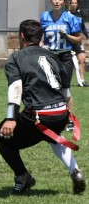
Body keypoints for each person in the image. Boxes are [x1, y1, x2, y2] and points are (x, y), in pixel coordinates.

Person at [0, 19, 85, 195]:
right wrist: (66, 112)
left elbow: (16, 87)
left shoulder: (16, 58)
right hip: (61, 113)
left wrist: (11, 118)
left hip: (38, 117)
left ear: (21, 36)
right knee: (52, 135)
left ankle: (22, 176)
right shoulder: (52, 56)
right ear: (40, 37)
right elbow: (65, 87)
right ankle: (75, 171)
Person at [40, 0, 82, 131]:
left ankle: (69, 119)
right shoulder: (44, 16)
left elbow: (78, 39)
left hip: (65, 56)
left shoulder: (71, 18)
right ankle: (50, 118)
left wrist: (66, 35)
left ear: (64, 2)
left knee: (65, 89)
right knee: (49, 88)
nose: (57, 1)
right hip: (50, 56)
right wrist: (42, 46)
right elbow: (39, 38)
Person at [69, 0, 89, 87]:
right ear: (70, 4)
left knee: (82, 59)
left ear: (77, 4)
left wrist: (88, 37)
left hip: (77, 40)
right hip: (68, 40)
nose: (73, 4)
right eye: (72, 3)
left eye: (75, 3)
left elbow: (83, 27)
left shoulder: (80, 14)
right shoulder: (66, 14)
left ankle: (82, 80)